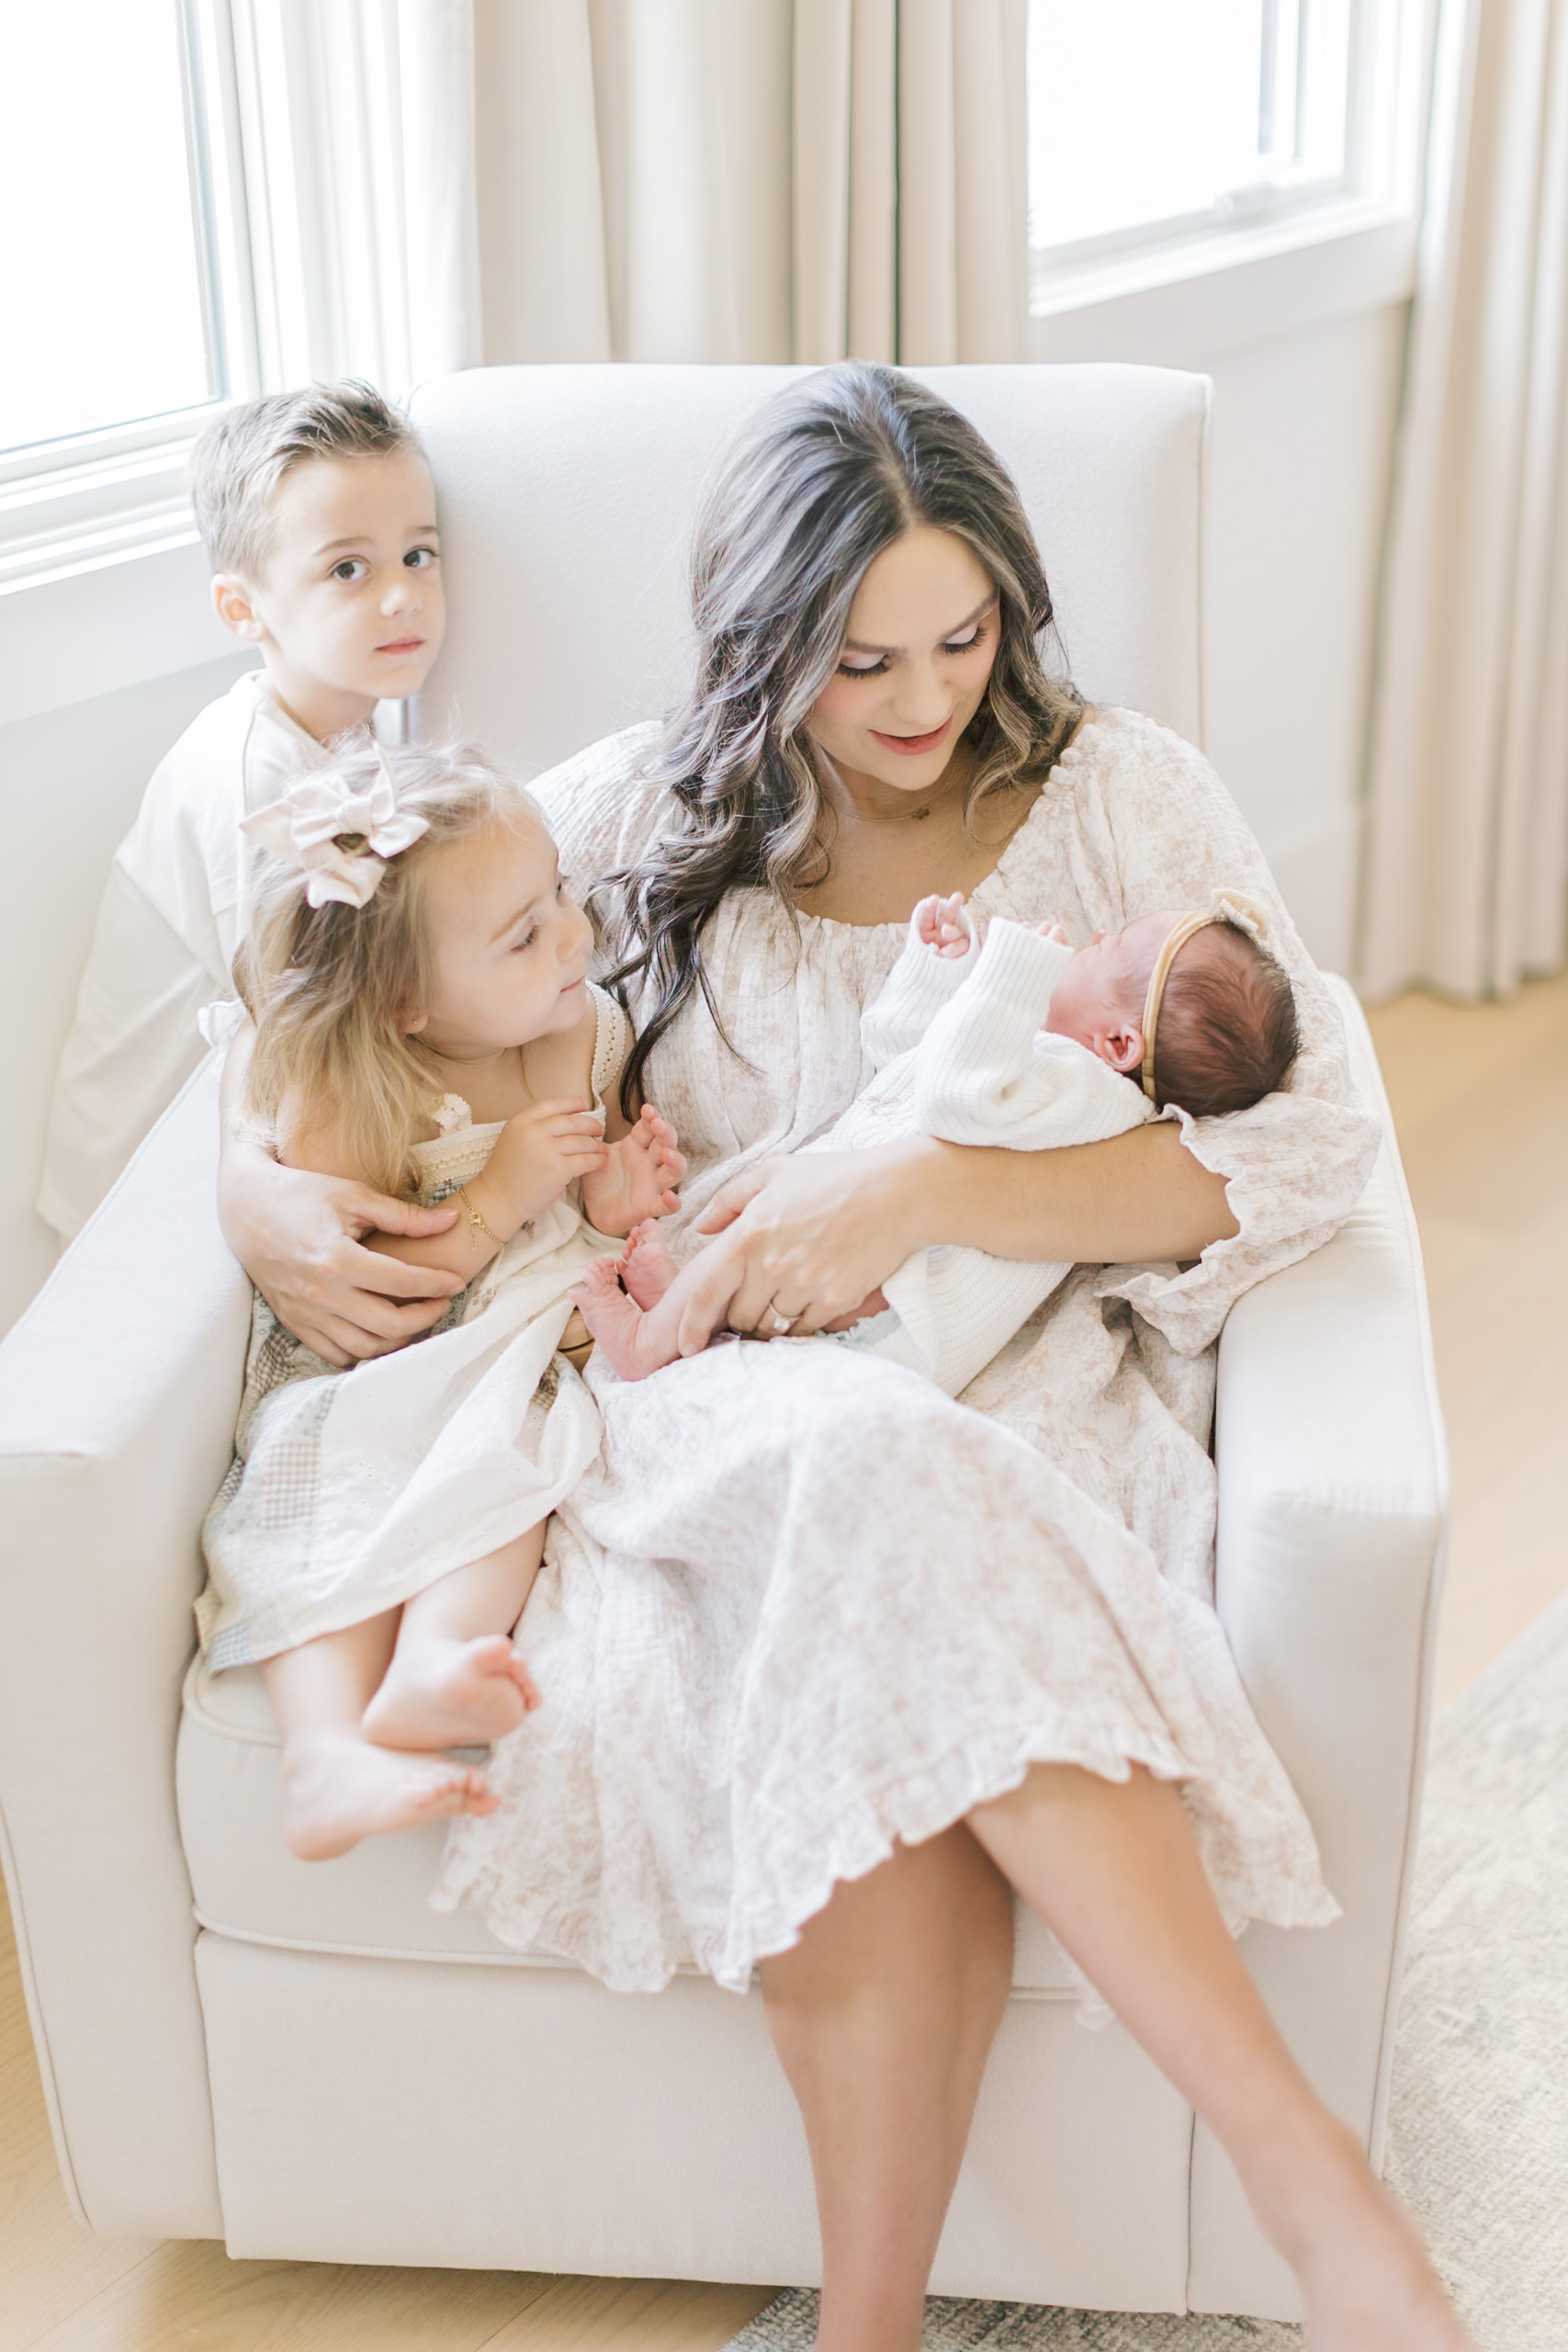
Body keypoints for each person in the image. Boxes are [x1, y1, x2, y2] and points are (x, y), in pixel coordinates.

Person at [214, 365, 1472, 2349]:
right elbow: (361, 982)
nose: (919, 698)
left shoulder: (1121, 798)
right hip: (700, 1411)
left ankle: (876, 2321)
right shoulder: (633, 811)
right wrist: (243, 1181)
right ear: (759, 641)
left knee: (890, 1618)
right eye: (857, 654)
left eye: (962, 635)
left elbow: (1313, 1131)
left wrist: (919, 1187)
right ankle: (1313, 2200)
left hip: (1030, 1414)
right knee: (864, 1484)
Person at [200, 737, 682, 1863]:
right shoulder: (349, 1096)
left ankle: (433, 1665)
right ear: (409, 1003)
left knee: (508, 1473)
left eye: (559, 892)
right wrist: (506, 1190)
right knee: (333, 1512)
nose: (573, 933)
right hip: (368, 1371)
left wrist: (615, 1194)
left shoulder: (582, 1029)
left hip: (505, 1354)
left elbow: (590, 1194)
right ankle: (325, 1755)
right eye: (524, 934)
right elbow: (389, 1301)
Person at [571, 886, 1298, 1392]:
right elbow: (903, 1067)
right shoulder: (1034, 1069)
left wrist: (1011, 975)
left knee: (758, 1261)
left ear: (1115, 1042)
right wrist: (936, 977)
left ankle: (645, 1345)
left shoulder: (1087, 1097)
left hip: (889, 1312)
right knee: (755, 1262)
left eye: (1100, 950)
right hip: (866, 1274)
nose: (1082, 942)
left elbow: (953, 1104)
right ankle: (683, 1312)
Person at [39, 380, 447, 1241]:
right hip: (142, 1197)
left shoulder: (358, 732)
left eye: (418, 554)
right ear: (242, 608)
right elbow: (295, 1025)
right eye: (348, 569)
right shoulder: (251, 779)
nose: (402, 594)